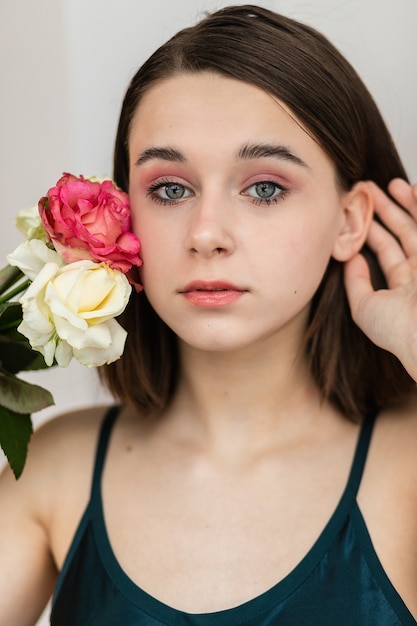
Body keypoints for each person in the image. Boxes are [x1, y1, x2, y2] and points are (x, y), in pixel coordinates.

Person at [1, 4, 417, 624]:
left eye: (265, 188)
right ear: (120, 220)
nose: (207, 234)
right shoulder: (53, 469)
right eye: (170, 189)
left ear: (350, 219)